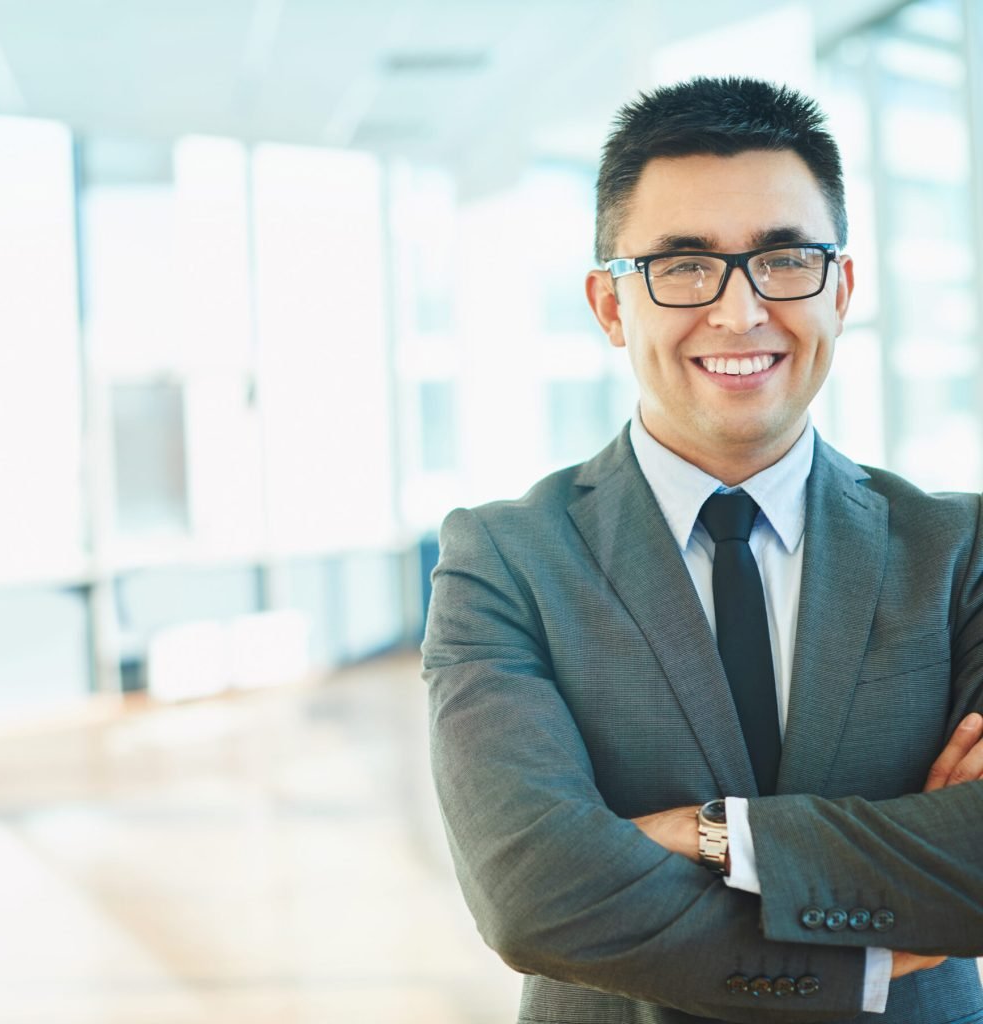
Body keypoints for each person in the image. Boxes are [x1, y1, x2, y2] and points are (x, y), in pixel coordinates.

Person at [421, 76, 983, 1024]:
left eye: (785, 259)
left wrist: (711, 835)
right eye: (684, 266)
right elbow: (534, 892)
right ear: (610, 305)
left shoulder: (960, 551)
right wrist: (868, 964)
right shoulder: (504, 559)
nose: (739, 312)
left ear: (840, 289)